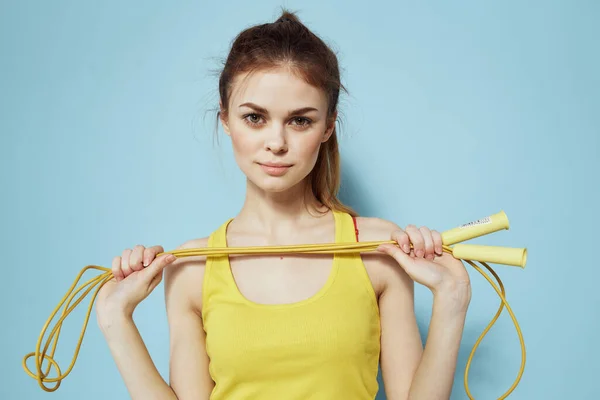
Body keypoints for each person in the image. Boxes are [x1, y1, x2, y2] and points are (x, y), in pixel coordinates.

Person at [95, 10, 472, 400]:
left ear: (328, 126)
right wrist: (114, 319)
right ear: (225, 119)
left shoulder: (378, 248)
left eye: (300, 121)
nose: (276, 142)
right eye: (255, 118)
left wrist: (452, 299)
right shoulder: (192, 268)